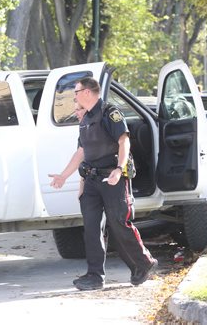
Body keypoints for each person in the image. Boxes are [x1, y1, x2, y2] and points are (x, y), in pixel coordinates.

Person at [49, 78, 157, 291]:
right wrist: (63, 175)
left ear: (88, 92)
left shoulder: (110, 113)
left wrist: (119, 168)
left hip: (112, 178)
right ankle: (95, 276)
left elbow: (123, 141)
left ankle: (143, 263)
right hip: (91, 180)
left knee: (119, 223)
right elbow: (81, 152)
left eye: (77, 92)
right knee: (91, 227)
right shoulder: (85, 118)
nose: (74, 96)